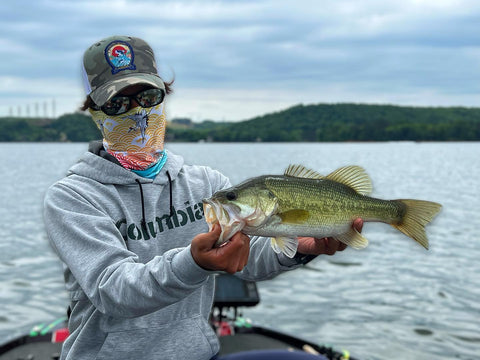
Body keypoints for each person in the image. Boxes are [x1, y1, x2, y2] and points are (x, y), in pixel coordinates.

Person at [43, 35, 363, 360]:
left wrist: (300, 248)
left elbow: (247, 260)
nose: (137, 112)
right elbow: (115, 291)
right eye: (117, 103)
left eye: (147, 96)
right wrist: (193, 263)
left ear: (163, 98)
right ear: (95, 112)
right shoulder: (71, 198)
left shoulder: (207, 185)